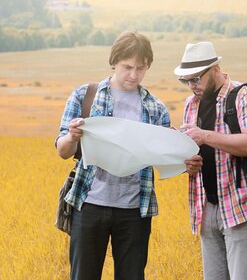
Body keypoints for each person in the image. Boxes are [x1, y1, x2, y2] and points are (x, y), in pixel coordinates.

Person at [55, 31, 170, 280]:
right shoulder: (86, 96)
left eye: (141, 68)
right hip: (89, 204)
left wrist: (182, 157)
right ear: (114, 62)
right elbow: (63, 151)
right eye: (127, 67)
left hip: (134, 209)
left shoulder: (156, 108)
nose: (133, 74)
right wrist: (73, 136)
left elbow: (165, 160)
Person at [177, 41, 247, 280]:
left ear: (215, 69)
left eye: (197, 78)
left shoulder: (244, 95)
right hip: (205, 208)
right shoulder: (191, 105)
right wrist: (188, 165)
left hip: (242, 206)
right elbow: (191, 155)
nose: (192, 86)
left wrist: (205, 136)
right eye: (186, 80)